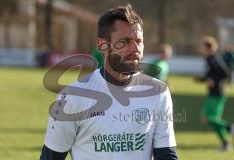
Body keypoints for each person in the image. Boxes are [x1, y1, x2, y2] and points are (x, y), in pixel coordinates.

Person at [40, 3, 178, 160]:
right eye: (125, 42)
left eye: (138, 41)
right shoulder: (72, 96)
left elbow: (165, 154)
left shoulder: (158, 91)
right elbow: (51, 157)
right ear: (103, 45)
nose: (135, 48)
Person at [193, 36, 234, 151]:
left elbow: (226, 73)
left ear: (208, 48)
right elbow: (210, 76)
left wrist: (214, 81)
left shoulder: (214, 59)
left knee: (209, 118)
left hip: (218, 94)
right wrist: (200, 79)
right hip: (213, 93)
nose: (201, 49)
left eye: (202, 47)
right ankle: (225, 143)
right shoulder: (208, 59)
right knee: (210, 119)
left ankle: (230, 128)